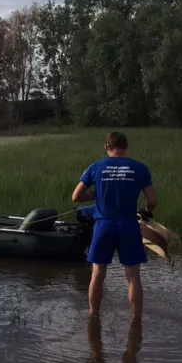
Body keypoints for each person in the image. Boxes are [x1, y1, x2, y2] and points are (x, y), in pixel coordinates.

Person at [72, 131, 157, 319]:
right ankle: (136, 321)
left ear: (106, 146)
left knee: (97, 273)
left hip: (104, 226)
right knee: (133, 276)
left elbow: (76, 196)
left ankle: (93, 316)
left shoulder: (96, 167)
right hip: (128, 225)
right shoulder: (140, 168)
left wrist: (94, 195)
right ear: (125, 147)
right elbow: (152, 200)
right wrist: (146, 209)